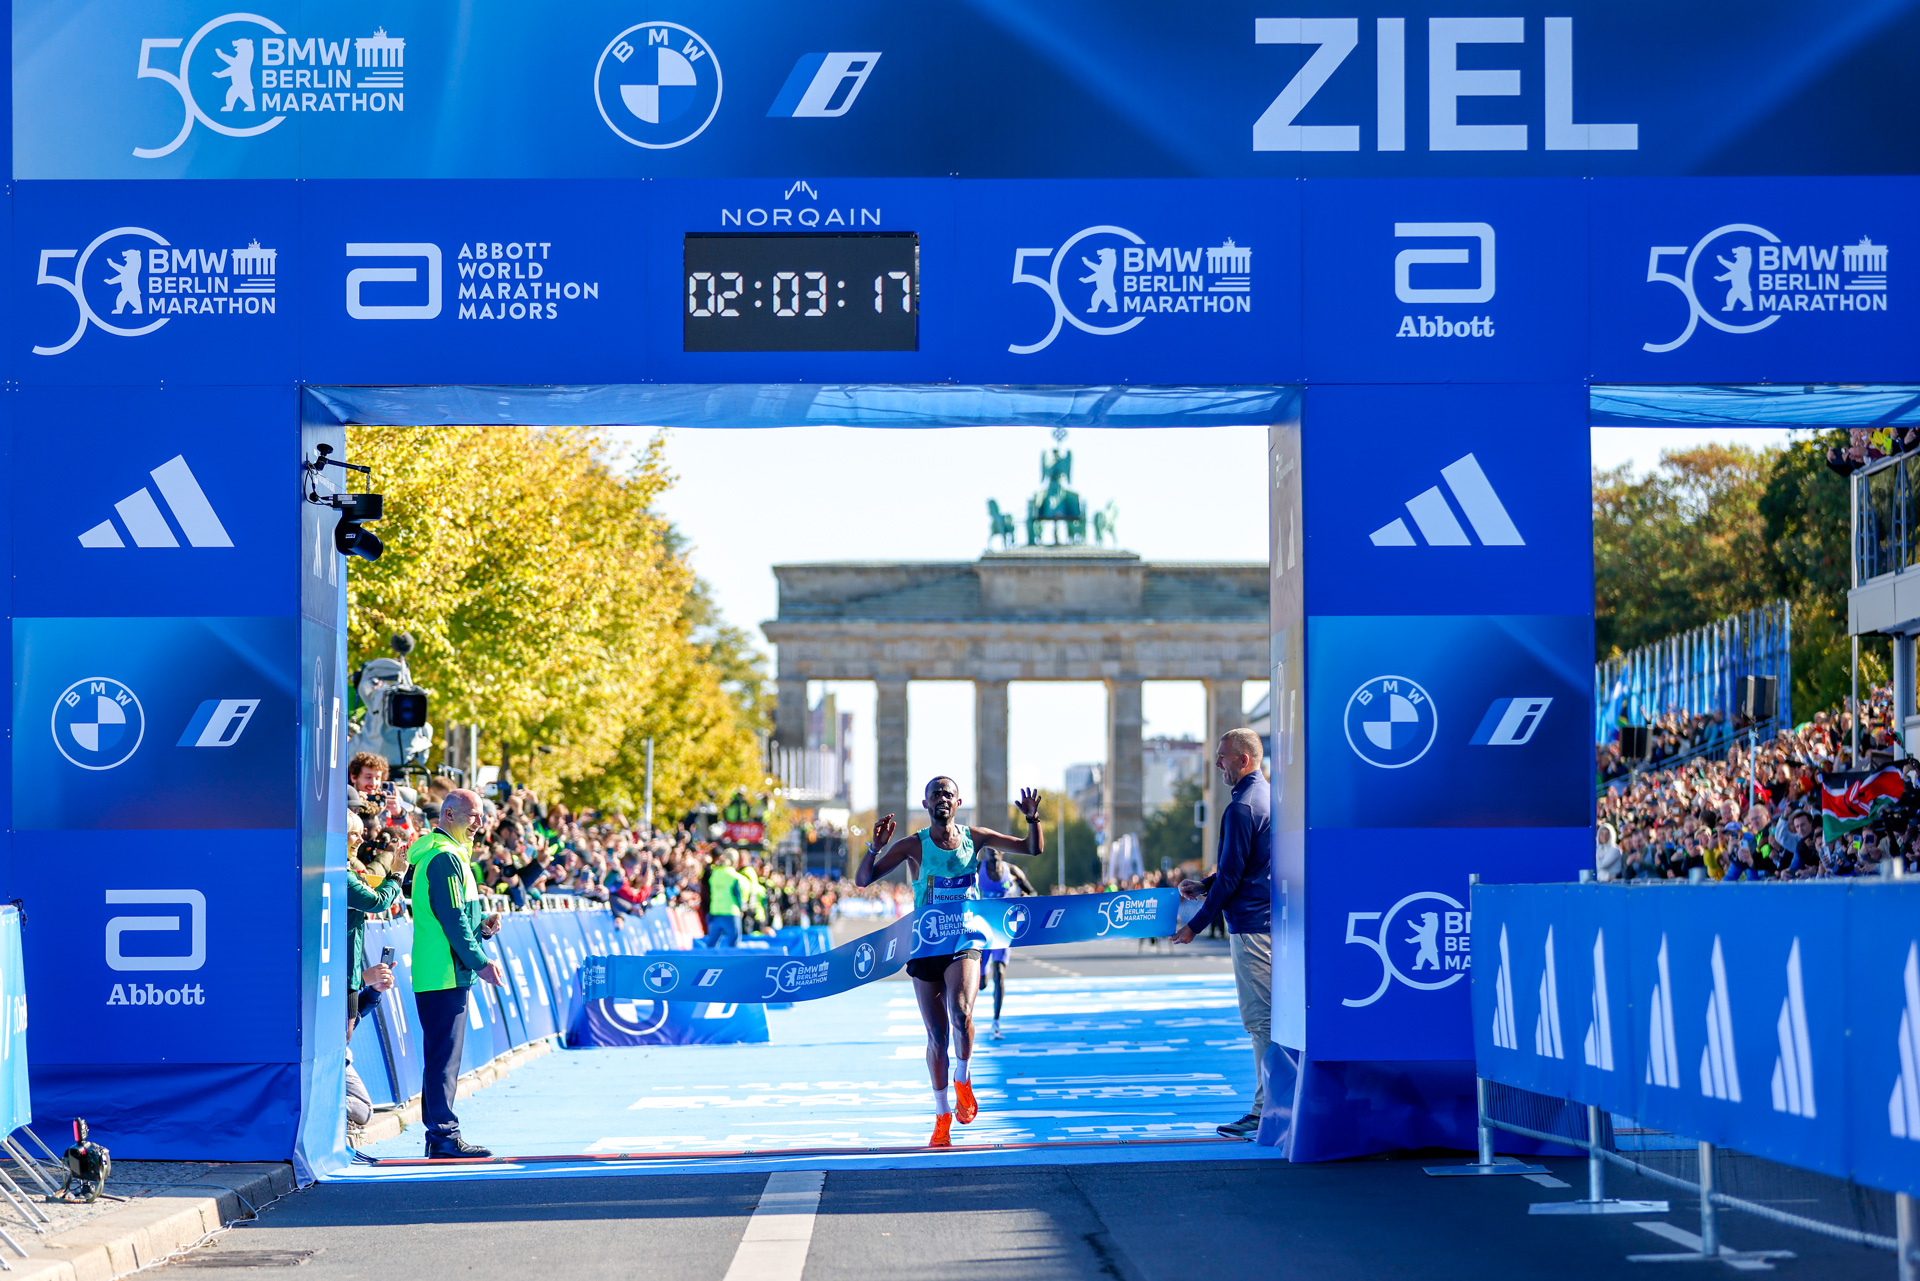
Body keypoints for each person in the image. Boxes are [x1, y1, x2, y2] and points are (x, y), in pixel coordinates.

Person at [856, 777, 1043, 1148]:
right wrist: (874, 848)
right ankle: (942, 1114)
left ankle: (963, 1076)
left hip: (964, 938)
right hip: (926, 944)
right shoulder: (913, 845)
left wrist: (1033, 819)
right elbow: (864, 880)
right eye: (935, 794)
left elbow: (1031, 849)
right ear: (926, 805)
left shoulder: (976, 838)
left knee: (961, 1014)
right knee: (937, 1037)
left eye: (947, 793)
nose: (941, 798)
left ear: (958, 802)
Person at [1174, 728, 1273, 1140]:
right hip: (1272, 922)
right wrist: (1204, 884)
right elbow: (1247, 866)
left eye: (1222, 756)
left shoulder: (1240, 808)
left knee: (1261, 1021)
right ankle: (1277, 1105)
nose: (1217, 764)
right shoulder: (1268, 798)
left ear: (1243, 759)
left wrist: (1194, 925)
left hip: (1251, 927)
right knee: (1273, 1018)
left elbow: (1232, 876)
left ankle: (1265, 1111)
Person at [405, 788, 506, 1159]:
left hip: (442, 969)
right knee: (443, 1060)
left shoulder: (446, 853)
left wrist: (482, 928)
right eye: (472, 815)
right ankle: (444, 1136)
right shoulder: (445, 857)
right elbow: (451, 919)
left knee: (441, 1058)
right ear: (448, 814)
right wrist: (480, 961)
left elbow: (456, 917)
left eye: (481, 815)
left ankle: (440, 1135)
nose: (479, 822)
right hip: (445, 972)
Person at [974, 846, 1034, 1041]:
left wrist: (1026, 897)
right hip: (983, 930)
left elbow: (1032, 892)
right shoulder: (978, 868)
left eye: (997, 848)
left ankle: (996, 1022)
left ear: (1002, 852)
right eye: (989, 849)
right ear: (985, 852)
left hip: (1002, 931)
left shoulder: (1012, 871)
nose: (993, 852)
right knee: (981, 984)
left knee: (999, 974)